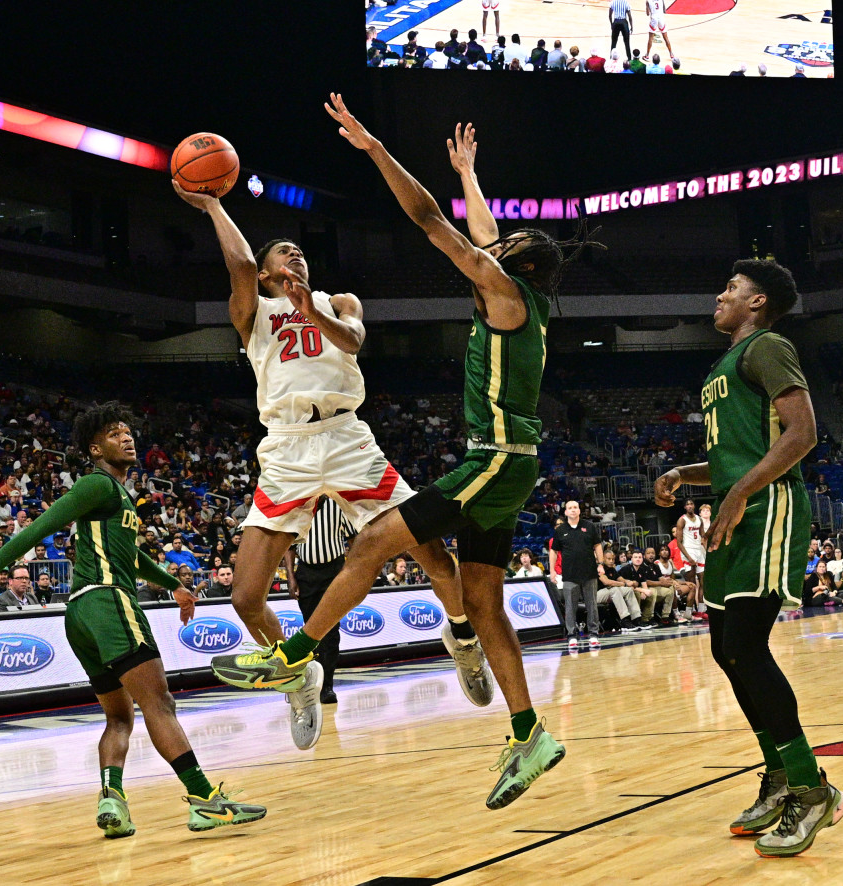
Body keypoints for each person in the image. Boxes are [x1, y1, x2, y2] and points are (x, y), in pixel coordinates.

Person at [214, 103, 599, 810]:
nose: (493, 244)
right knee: (484, 600)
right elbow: (479, 230)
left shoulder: (506, 291)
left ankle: (296, 656)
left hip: (494, 456)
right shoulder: (521, 288)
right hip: (511, 463)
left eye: (505, 244)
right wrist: (470, 175)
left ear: (517, 263)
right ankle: (529, 734)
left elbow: (432, 223)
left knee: (373, 541)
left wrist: (377, 149)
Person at [173, 138, 490, 755]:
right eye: (282, 253)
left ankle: (463, 637)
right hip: (286, 446)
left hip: (346, 438)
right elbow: (238, 268)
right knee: (244, 598)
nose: (295, 254)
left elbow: (350, 341)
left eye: (300, 250)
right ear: (265, 273)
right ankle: (298, 675)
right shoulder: (253, 312)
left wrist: (307, 309)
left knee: (427, 549)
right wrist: (212, 205)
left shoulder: (336, 301)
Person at [0, 404, 265, 835]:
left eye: (128, 431)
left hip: (81, 615)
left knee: (119, 718)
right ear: (94, 448)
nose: (126, 437)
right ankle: (205, 800)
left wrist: (173, 584)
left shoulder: (119, 495)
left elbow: (133, 556)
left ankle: (113, 801)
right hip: (108, 602)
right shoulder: (97, 483)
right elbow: (43, 524)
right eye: (114, 433)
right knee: (159, 703)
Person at [655, 259, 843, 857]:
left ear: (758, 301)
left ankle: (812, 788)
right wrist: (688, 474)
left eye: (731, 289)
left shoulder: (768, 347)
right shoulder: (725, 364)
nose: (720, 294)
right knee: (725, 647)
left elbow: (803, 433)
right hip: (738, 508)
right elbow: (739, 454)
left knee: (746, 645)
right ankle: (782, 774)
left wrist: (738, 492)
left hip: (767, 508)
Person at [283, 496, 354, 705]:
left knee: (331, 632)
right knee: (310, 631)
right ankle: (310, 681)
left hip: (334, 571)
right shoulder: (300, 506)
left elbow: (354, 539)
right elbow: (289, 546)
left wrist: (351, 571)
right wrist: (291, 577)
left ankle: (327, 686)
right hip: (306, 573)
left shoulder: (340, 504)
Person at [551, 500, 603, 650]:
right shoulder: (560, 530)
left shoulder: (589, 526)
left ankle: (593, 634)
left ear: (579, 511)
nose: (573, 510)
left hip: (589, 572)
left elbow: (598, 545)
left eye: (575, 507)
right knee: (570, 606)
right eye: (570, 508)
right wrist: (553, 570)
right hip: (569, 574)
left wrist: (600, 564)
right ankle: (571, 635)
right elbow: (553, 551)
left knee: (592, 604)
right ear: (566, 512)